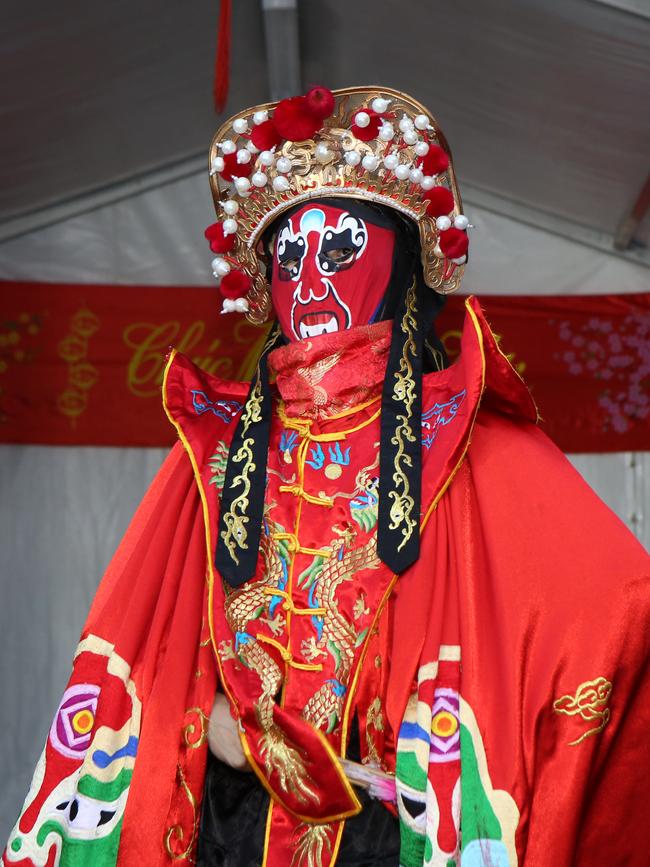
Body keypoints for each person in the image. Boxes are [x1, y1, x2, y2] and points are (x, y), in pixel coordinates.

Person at [3, 86, 649, 867]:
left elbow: (620, 602)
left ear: (399, 263)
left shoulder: (462, 437)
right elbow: (143, 646)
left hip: (394, 831)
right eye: (288, 256)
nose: (309, 279)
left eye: (340, 249)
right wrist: (213, 719)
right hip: (228, 829)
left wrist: (439, 719)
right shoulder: (212, 443)